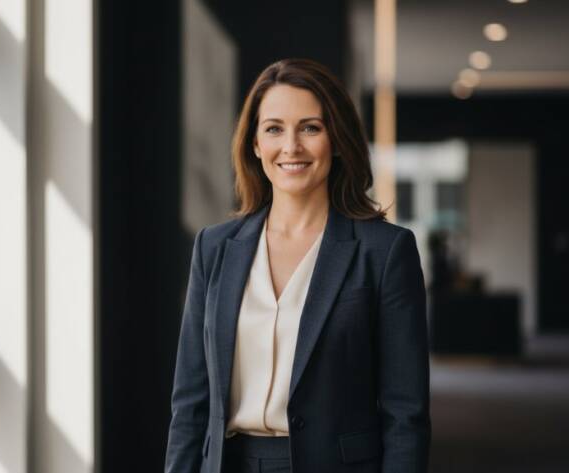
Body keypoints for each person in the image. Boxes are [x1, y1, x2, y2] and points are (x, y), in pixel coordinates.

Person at [164, 58, 430, 473]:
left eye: (310, 128)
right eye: (274, 129)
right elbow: (190, 404)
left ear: (337, 140)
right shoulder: (214, 248)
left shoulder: (384, 252)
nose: (291, 147)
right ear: (255, 143)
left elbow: (405, 414)